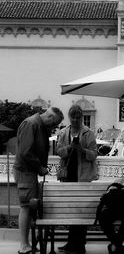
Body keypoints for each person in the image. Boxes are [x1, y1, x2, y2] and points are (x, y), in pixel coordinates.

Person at [13, 107, 64, 254]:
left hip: (29, 172)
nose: (53, 128)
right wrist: (40, 167)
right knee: (26, 206)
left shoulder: (37, 125)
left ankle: (27, 244)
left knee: (30, 207)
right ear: (50, 118)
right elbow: (25, 152)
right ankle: (23, 245)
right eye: (54, 124)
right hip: (25, 171)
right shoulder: (32, 124)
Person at [56, 105, 98, 254]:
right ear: (69, 117)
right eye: (73, 117)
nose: (75, 120)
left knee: (81, 212)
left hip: (83, 177)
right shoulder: (63, 132)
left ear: (81, 117)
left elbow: (94, 155)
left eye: (78, 117)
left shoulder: (88, 133)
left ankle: (80, 244)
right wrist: (69, 148)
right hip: (68, 176)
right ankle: (71, 243)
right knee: (71, 212)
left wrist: (81, 149)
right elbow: (59, 152)